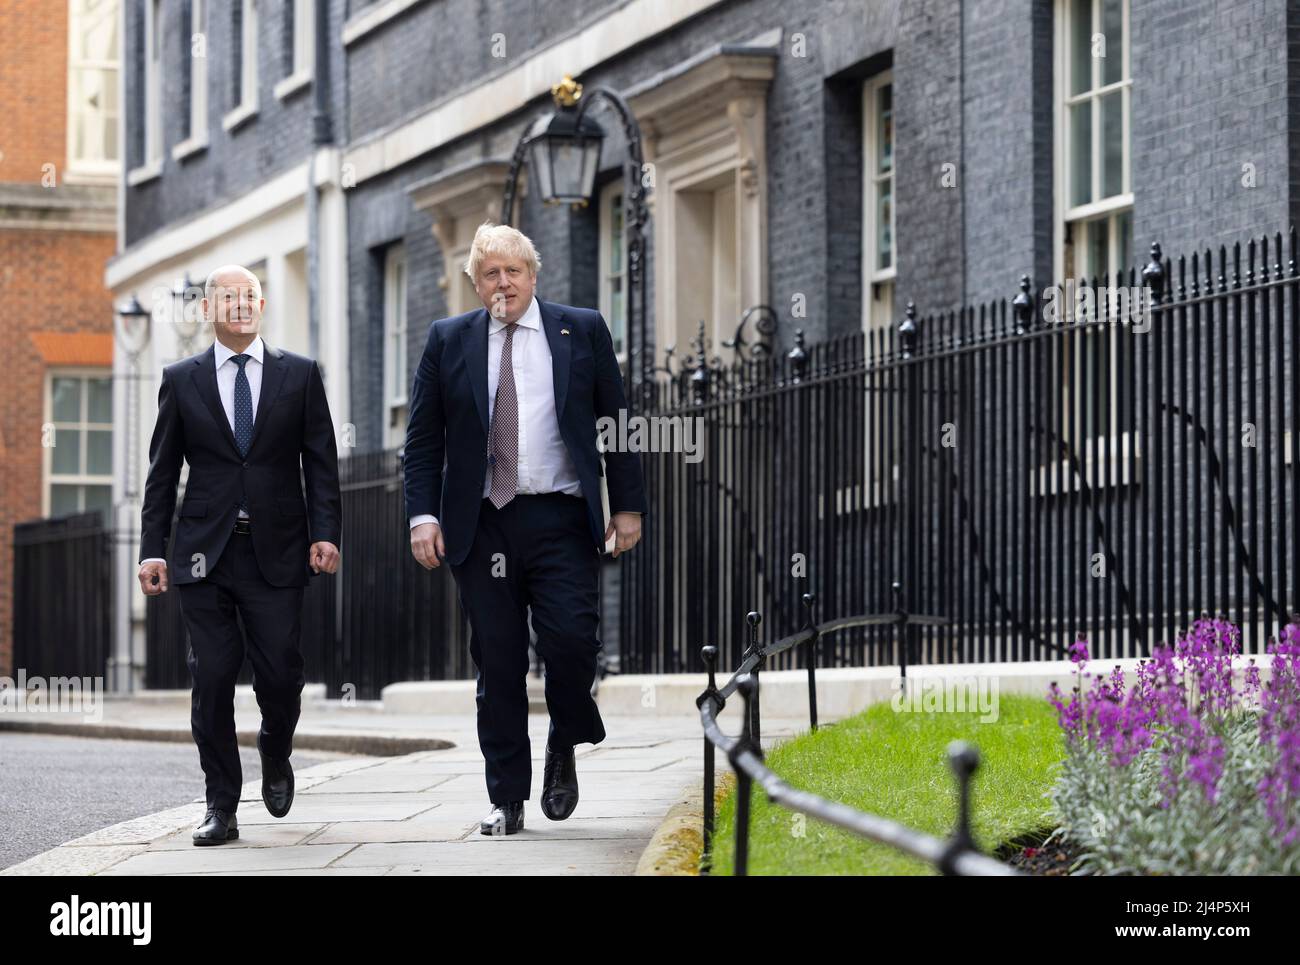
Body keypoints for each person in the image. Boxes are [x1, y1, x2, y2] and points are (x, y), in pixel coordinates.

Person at [404, 222, 647, 835]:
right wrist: (422, 515)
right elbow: (424, 438)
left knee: (570, 644)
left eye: (513, 270)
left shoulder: (581, 329)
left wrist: (629, 506)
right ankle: (506, 798)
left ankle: (564, 736)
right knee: (500, 662)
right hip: (483, 522)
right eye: (490, 273)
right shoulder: (448, 339)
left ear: (533, 276)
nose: (503, 282)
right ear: (476, 283)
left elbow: (617, 420)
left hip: (560, 517)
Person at [137, 264, 342, 845]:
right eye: (228, 297)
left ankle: (275, 750)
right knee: (213, 676)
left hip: (278, 550)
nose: (240, 305)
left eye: (249, 295)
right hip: (205, 554)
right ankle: (220, 805)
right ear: (209, 309)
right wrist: (153, 551)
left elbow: (320, 464)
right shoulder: (182, 379)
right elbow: (161, 475)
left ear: (262, 303)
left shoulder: (299, 376)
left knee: (281, 673)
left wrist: (325, 532)